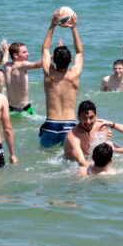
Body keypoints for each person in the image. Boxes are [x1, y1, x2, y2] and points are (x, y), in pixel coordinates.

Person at [39, 10, 84, 147]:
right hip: (69, 126)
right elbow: (79, 52)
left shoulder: (49, 73)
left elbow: (45, 49)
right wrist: (74, 28)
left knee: (46, 158)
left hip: (50, 125)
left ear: (53, 60)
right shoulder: (74, 74)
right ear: (70, 60)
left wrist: (52, 26)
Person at [64, 100, 113, 167]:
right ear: (79, 117)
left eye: (91, 117)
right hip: (71, 165)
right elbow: (82, 162)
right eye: (84, 118)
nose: (88, 122)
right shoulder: (73, 136)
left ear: (96, 116)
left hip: (90, 160)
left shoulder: (100, 128)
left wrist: (106, 139)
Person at [2, 40, 42, 117]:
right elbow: (38, 65)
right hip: (25, 111)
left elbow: (5, 59)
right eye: (24, 52)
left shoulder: (6, 65)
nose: (28, 54)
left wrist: (6, 51)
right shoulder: (22, 65)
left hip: (10, 109)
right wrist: (54, 54)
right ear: (15, 55)